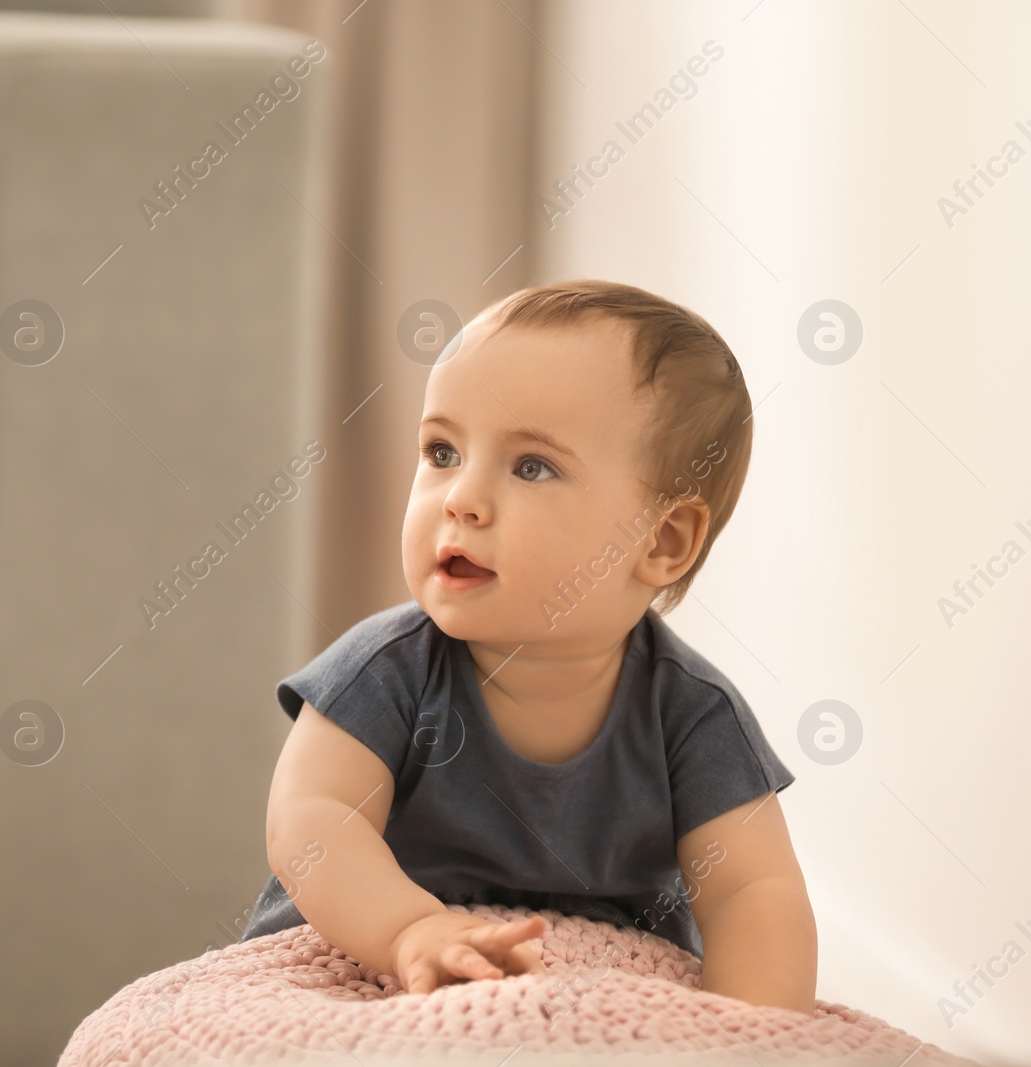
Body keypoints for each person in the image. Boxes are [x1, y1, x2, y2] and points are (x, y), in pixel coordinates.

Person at [246, 279, 817, 1015]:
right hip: (372, 963)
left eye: (532, 466)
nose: (460, 498)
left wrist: (752, 1032)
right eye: (442, 451)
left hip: (590, 991)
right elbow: (311, 819)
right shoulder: (387, 670)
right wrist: (410, 928)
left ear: (663, 540)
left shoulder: (692, 714)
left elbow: (753, 888)